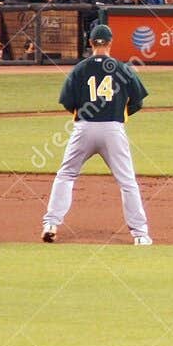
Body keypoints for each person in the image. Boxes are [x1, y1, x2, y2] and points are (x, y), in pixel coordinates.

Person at [41, 24, 152, 246]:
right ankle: (140, 235)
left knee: (66, 175)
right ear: (110, 42)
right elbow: (138, 101)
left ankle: (51, 224)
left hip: (84, 128)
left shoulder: (80, 68)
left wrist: (85, 114)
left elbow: (67, 101)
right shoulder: (122, 68)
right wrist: (119, 112)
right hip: (113, 130)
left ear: (90, 43)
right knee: (127, 182)